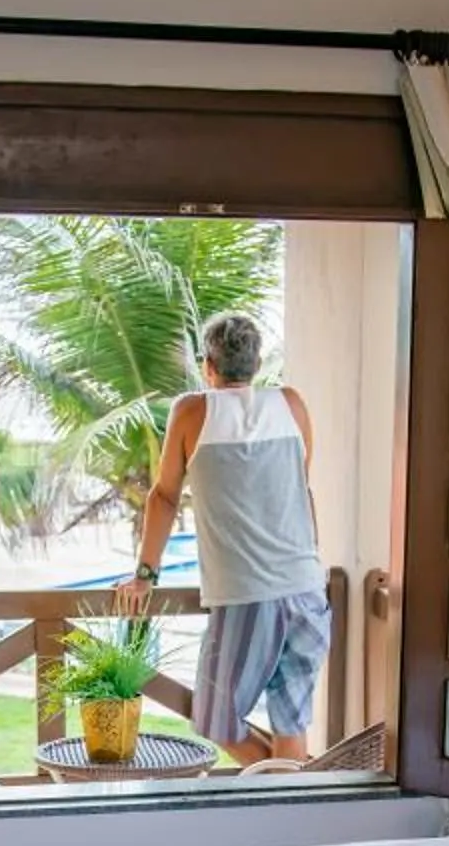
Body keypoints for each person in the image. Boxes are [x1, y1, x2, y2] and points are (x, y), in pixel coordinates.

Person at [118, 311, 330, 765]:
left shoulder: (192, 410)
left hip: (250, 597)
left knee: (214, 720)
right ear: (255, 364)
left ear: (208, 366)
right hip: (308, 591)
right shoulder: (291, 404)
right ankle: (295, 800)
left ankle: (282, 788)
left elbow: (163, 497)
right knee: (291, 724)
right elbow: (300, 487)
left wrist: (144, 576)